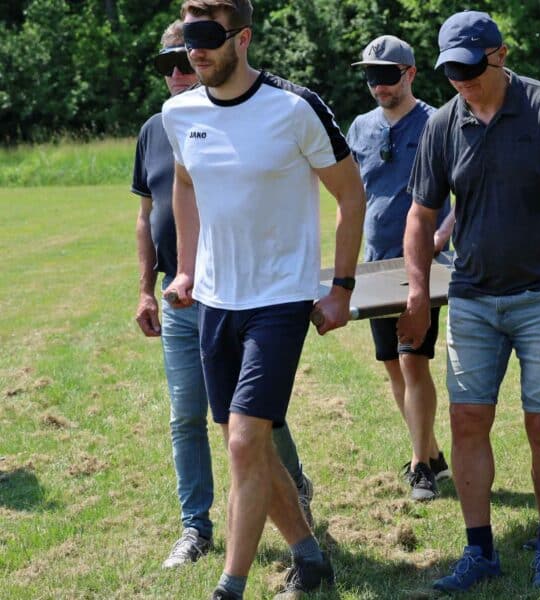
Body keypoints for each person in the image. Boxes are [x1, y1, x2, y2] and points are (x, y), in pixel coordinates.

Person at [399, 11, 540, 591]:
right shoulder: (443, 124)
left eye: (471, 68)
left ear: (499, 55)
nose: (462, 81)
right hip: (473, 299)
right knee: (467, 420)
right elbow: (420, 215)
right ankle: (479, 551)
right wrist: (417, 290)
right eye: (451, 72)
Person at [160, 1, 365, 598]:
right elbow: (185, 185)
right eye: (188, 36)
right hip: (214, 301)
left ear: (243, 37)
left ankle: (231, 585)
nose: (195, 49)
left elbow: (351, 196)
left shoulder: (294, 108)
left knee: (246, 441)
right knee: (245, 443)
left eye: (208, 35)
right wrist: (186, 271)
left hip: (279, 299)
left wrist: (341, 288)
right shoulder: (179, 113)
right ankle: (309, 556)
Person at [131, 18, 313, 572]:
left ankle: (294, 497)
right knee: (187, 417)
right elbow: (146, 216)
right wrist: (147, 289)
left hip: (238, 292)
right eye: (168, 64)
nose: (179, 72)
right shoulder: (157, 128)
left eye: (187, 58)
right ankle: (195, 526)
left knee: (256, 420)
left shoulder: (244, 117)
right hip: (179, 297)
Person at [346, 35, 454, 502]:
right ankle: (431, 453)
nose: (379, 85)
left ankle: (419, 468)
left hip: (422, 265)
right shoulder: (359, 127)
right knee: (392, 364)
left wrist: (441, 236)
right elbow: (352, 194)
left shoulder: (437, 123)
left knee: (413, 360)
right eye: (372, 76)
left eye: (387, 75)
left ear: (410, 74)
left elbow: (466, 190)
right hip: (375, 266)